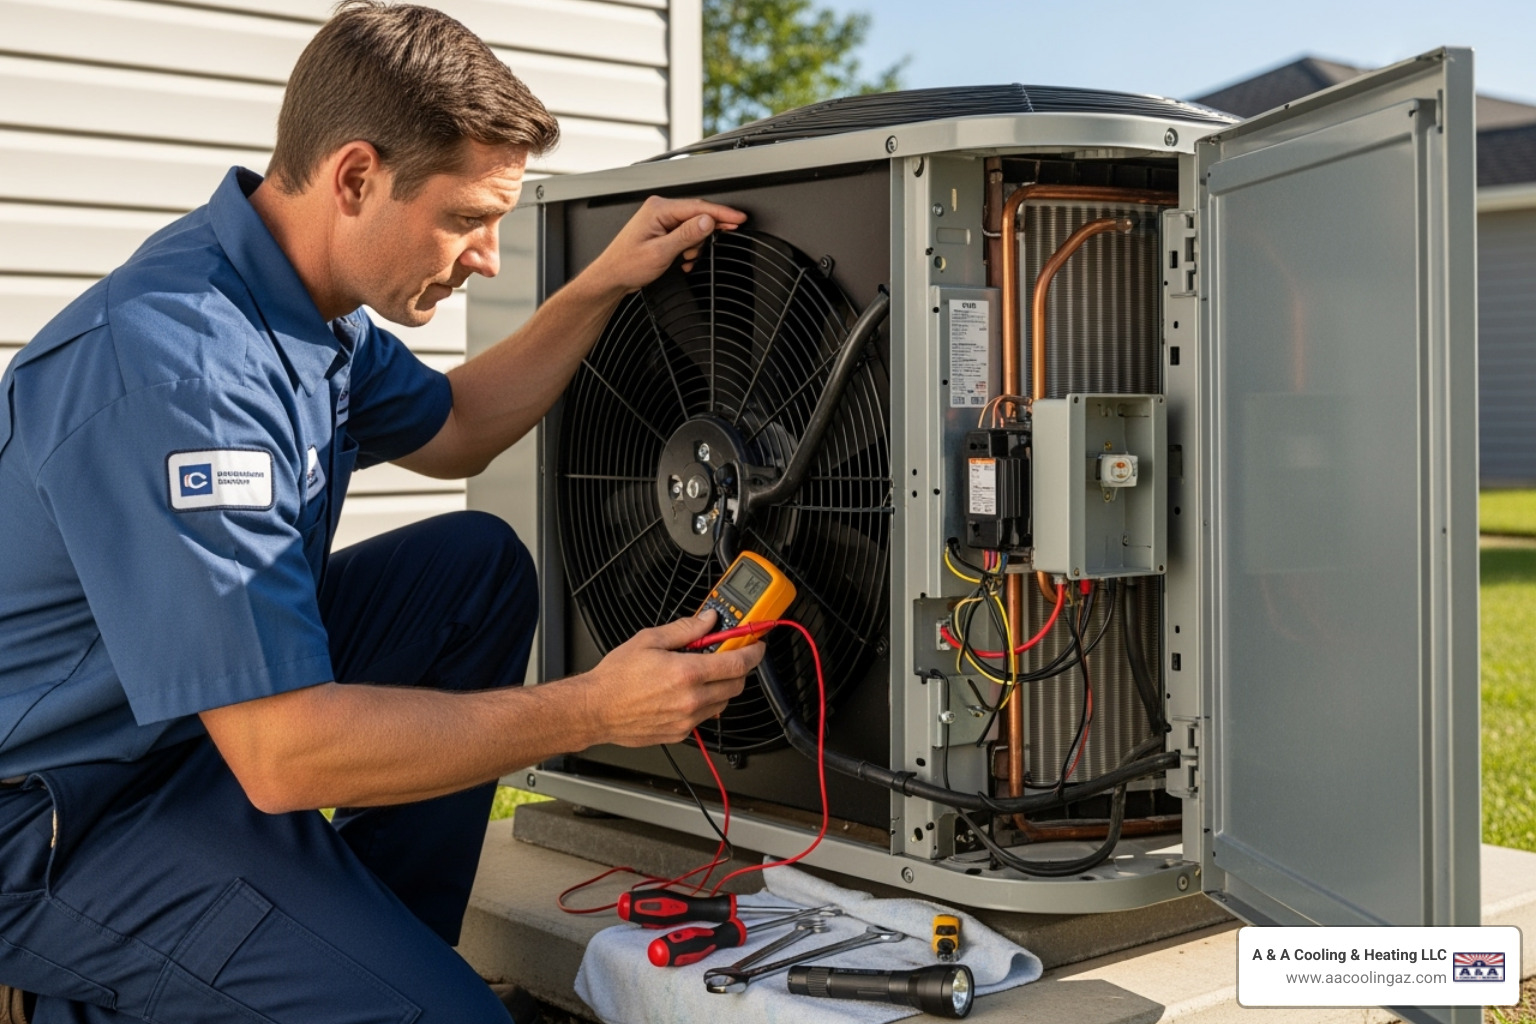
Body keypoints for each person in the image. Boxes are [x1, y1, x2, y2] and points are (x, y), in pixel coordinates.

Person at [0, 4, 757, 1022]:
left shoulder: (305, 305)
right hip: (65, 816)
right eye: (465, 219)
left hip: (192, 730)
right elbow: (284, 756)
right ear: (356, 177)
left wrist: (604, 284)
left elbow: (455, 426)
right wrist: (592, 708)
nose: (488, 254)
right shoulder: (184, 373)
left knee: (472, 569)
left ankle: (361, 945)